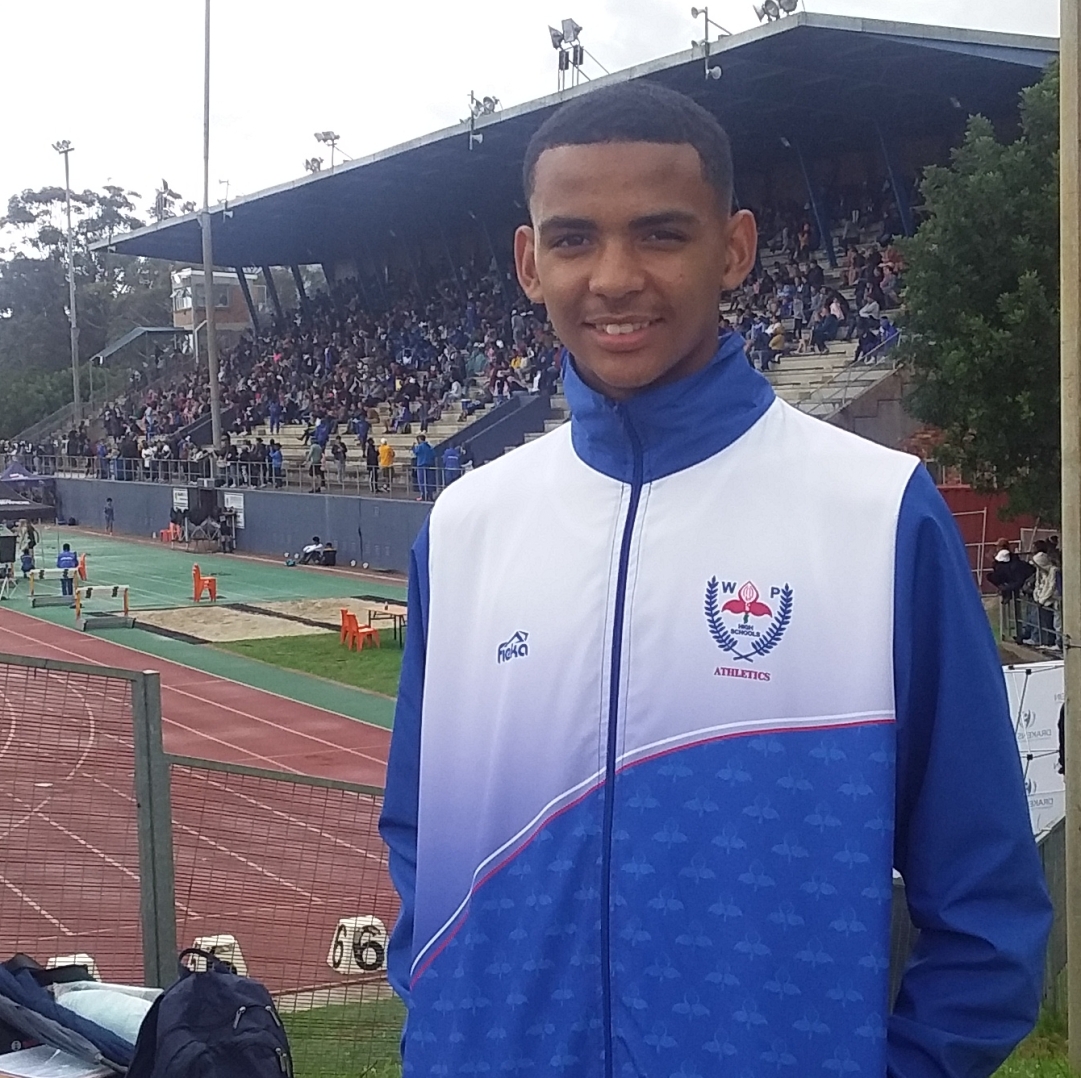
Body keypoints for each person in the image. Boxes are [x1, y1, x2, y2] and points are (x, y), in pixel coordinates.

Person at [379, 82, 1051, 1078]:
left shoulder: (874, 512)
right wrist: (446, 1026)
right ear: (528, 262)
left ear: (733, 249)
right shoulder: (468, 525)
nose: (614, 278)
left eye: (660, 234)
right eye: (573, 240)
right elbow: (419, 836)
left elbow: (986, 902)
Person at [413, 435, 436, 501]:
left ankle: (423, 495)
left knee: (422, 481)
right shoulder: (429, 446)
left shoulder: (420, 447)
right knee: (429, 481)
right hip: (430, 465)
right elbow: (434, 454)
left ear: (419, 439)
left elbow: (416, 452)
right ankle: (430, 495)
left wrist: (413, 447)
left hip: (421, 465)